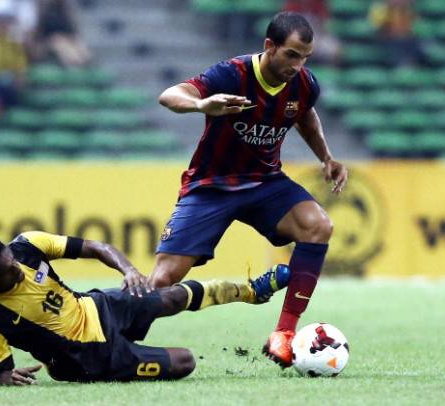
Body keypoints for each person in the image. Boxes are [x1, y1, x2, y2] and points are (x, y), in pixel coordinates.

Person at [149, 11, 348, 369]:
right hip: (212, 185)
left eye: (305, 57)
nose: (297, 65)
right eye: (291, 55)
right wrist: (200, 104)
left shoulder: (304, 83)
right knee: (164, 278)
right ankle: (118, 335)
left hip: (264, 183)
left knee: (319, 225)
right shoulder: (232, 74)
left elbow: (304, 114)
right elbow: (169, 95)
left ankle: (284, 334)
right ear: (269, 46)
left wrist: (326, 157)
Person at [0, 231, 290, 385]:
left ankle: (253, 291)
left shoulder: (26, 246)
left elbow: (97, 247)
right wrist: (6, 377)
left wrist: (128, 270)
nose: (16, 266)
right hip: (87, 359)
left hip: (97, 306)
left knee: (170, 296)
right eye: (8, 269)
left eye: (11, 258)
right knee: (184, 361)